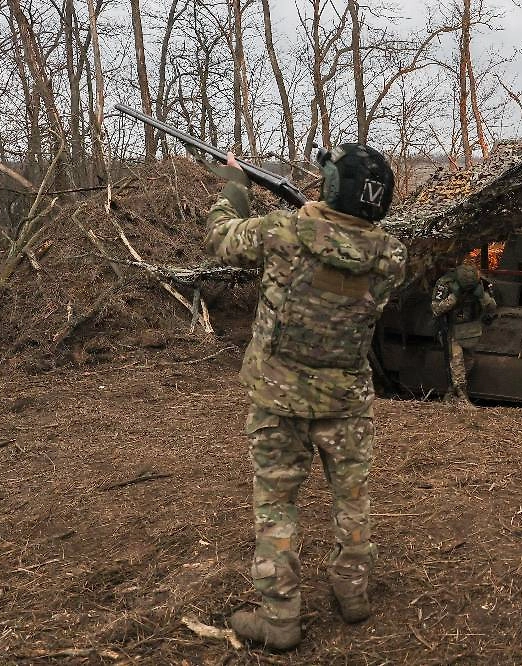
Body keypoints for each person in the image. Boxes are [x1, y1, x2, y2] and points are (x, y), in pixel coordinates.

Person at [204, 144, 406, 650]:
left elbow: (221, 240)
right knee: (352, 499)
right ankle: (352, 594)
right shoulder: (391, 256)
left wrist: (234, 186)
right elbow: (342, 245)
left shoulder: (283, 231)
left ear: (334, 187)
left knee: (276, 505)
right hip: (347, 400)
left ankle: (280, 621)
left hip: (279, 398)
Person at [430, 263, 496, 403]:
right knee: (457, 362)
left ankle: (451, 393)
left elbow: (492, 307)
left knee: (469, 361)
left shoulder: (482, 283)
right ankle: (461, 397)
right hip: (451, 328)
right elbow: (436, 309)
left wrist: (482, 296)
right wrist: (454, 297)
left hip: (470, 328)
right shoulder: (445, 284)